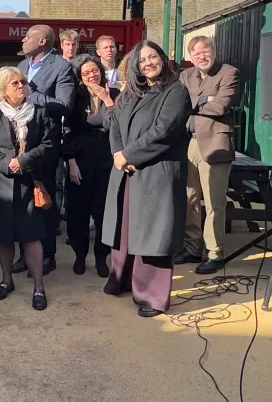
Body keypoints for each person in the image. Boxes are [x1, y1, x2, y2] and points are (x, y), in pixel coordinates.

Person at [103, 41, 190, 318]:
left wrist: (129, 155)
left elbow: (163, 131)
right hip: (126, 170)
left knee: (153, 233)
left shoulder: (175, 92)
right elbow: (114, 122)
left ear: (162, 59)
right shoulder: (132, 92)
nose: (148, 63)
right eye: (142, 60)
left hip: (156, 172)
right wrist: (118, 153)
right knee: (126, 229)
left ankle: (152, 296)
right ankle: (122, 278)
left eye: (153, 57)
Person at [0, 67, 59, 311]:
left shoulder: (41, 113)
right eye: (15, 83)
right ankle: (6, 281)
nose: (21, 86)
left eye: (23, 82)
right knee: (3, 236)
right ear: (3, 89)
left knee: (31, 237)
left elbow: (50, 144)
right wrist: (5, 164)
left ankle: (39, 287)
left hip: (29, 183)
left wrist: (23, 161)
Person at [176, 36, 240, 275]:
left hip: (215, 144)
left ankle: (215, 253)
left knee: (214, 203)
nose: (201, 56)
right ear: (190, 57)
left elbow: (221, 106)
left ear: (213, 51)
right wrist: (205, 100)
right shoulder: (185, 75)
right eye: (196, 53)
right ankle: (192, 247)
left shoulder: (228, 72)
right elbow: (179, 104)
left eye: (205, 52)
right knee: (189, 198)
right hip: (188, 144)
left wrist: (197, 103)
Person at [15, 24, 75, 276]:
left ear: (42, 41)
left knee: (45, 202)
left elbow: (64, 105)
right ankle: (24, 255)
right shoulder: (21, 67)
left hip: (44, 146)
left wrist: (32, 96)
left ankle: (47, 255)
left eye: (27, 36)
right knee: (22, 202)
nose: (23, 39)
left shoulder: (61, 67)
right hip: (18, 143)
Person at [63, 54, 117, 278]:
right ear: (80, 77)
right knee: (78, 212)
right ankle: (79, 255)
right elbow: (67, 132)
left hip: (107, 162)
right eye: (85, 73)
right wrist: (72, 162)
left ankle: (101, 257)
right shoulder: (75, 96)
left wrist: (107, 100)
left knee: (104, 213)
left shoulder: (115, 94)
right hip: (80, 161)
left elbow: (119, 124)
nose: (91, 75)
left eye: (94, 70)